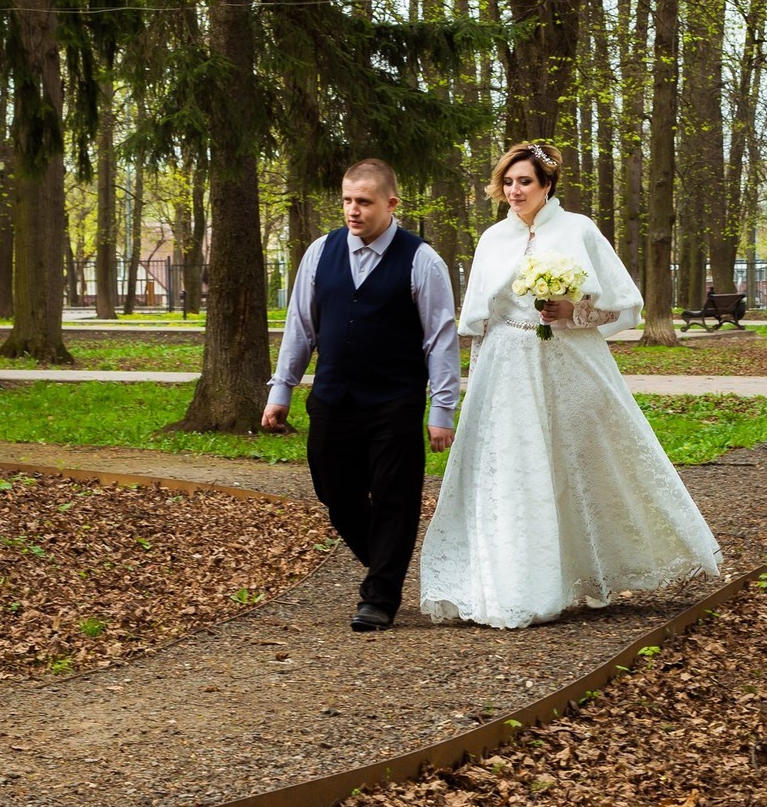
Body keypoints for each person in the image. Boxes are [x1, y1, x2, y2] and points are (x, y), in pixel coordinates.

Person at [419, 142, 721, 629]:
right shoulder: (493, 238)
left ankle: (589, 569)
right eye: (509, 182)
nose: (515, 191)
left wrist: (571, 312)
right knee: (512, 468)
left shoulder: (579, 230)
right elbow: (480, 318)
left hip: (567, 363)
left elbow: (621, 306)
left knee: (577, 461)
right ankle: (517, 580)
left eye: (525, 182)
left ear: (547, 185)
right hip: (506, 367)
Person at [262, 159, 460, 632]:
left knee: (395, 497)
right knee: (333, 489)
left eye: (364, 202)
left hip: (395, 399)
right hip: (332, 396)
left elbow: (440, 338)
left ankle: (380, 595)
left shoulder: (421, 260)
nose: (354, 210)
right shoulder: (320, 251)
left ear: (391, 204)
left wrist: (443, 409)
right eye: (348, 200)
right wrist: (281, 390)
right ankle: (384, 559)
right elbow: (300, 326)